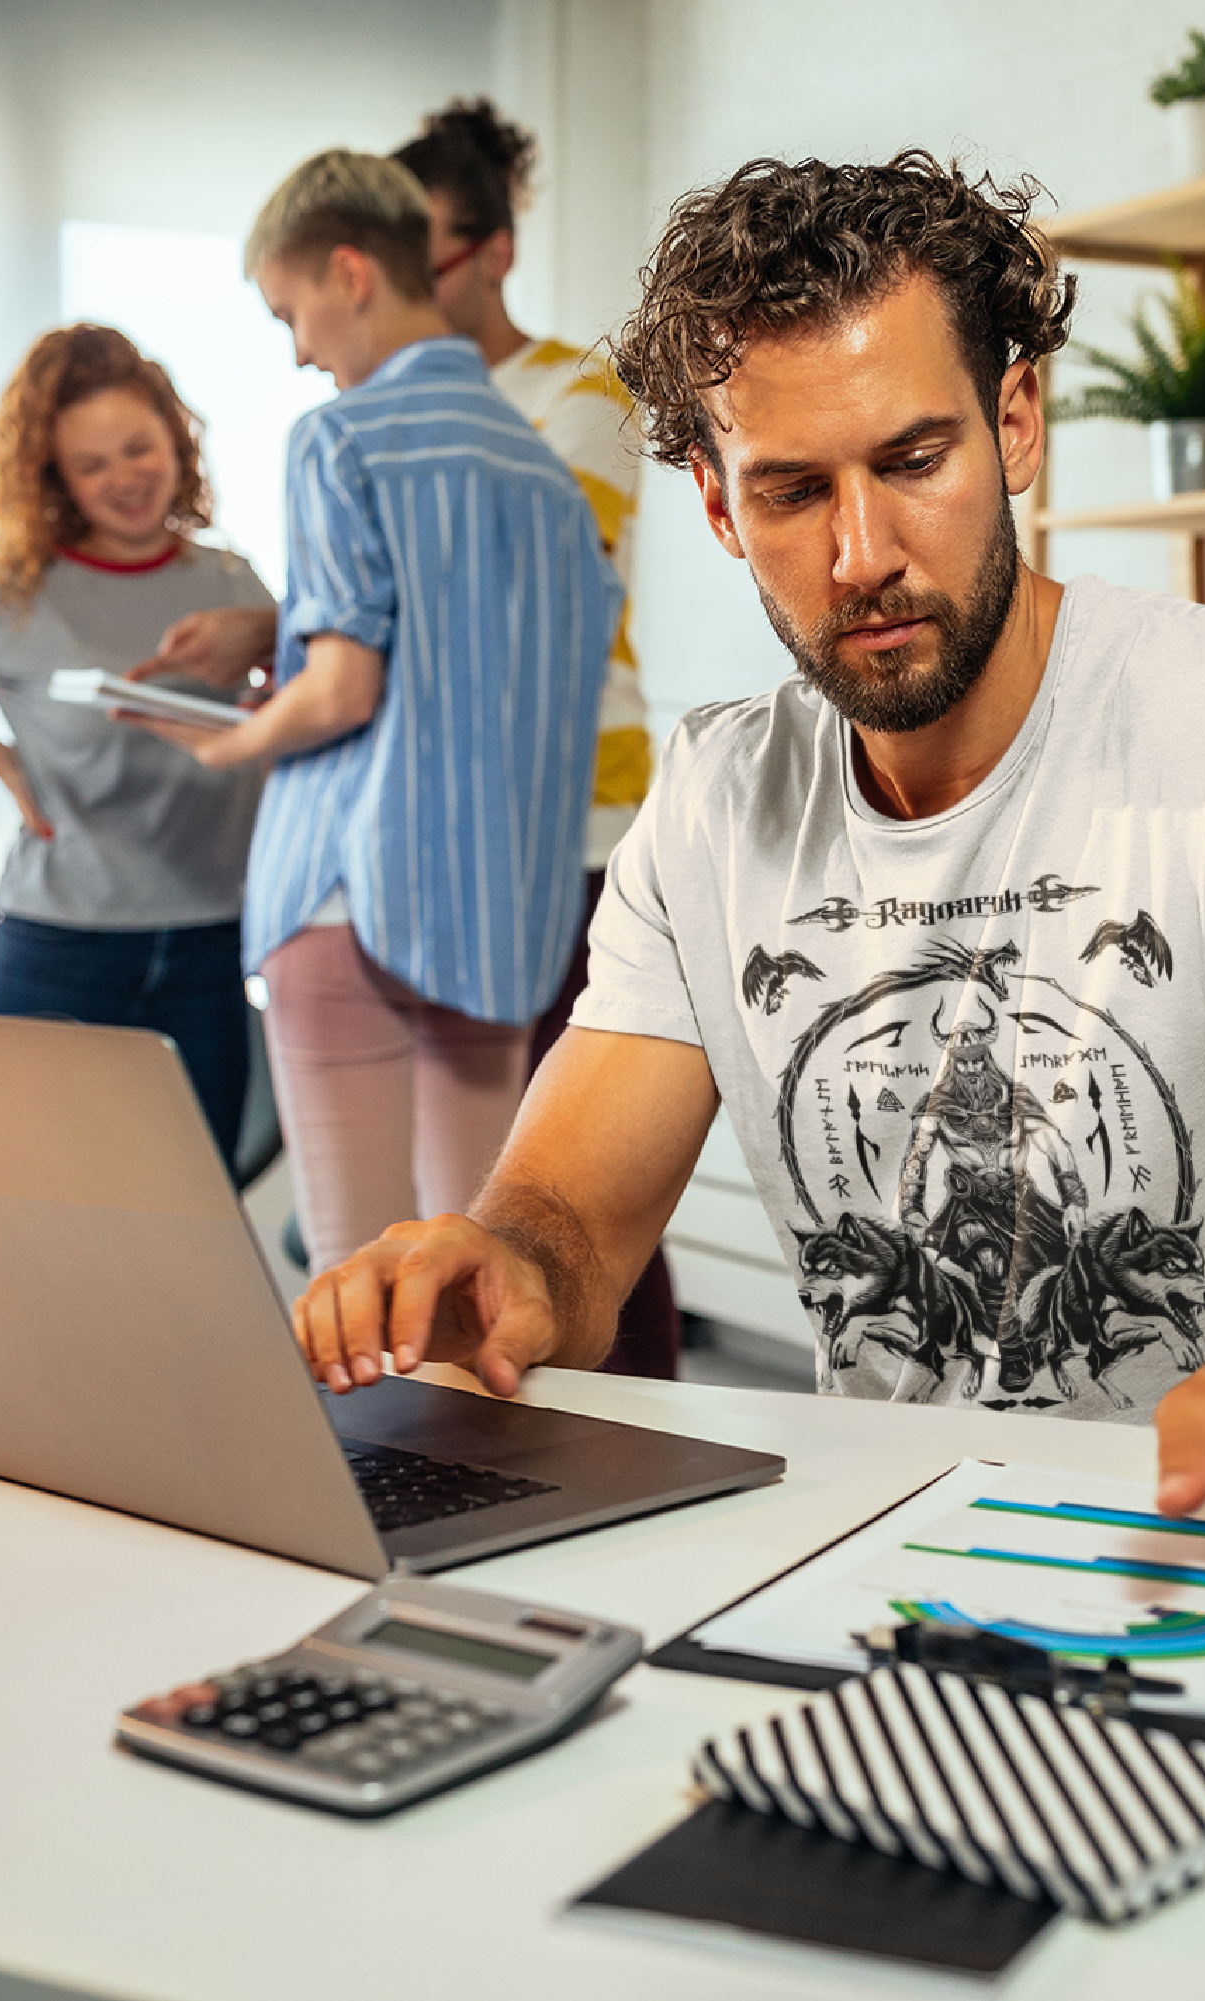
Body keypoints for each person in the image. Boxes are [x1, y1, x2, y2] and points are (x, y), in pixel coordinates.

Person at [295, 150, 1205, 1664]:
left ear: (1017, 425)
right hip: (886, 1565)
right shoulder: (709, 798)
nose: (862, 554)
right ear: (716, 504)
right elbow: (571, 1227)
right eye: (794, 490)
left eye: (914, 460)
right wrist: (502, 1264)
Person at [129, 150, 618, 1282]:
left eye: (290, 312)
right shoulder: (544, 479)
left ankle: (374, 1472)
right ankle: (487, 1465)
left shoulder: (337, 437)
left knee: (356, 1285)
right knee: (484, 1274)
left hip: (346, 894)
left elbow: (347, 687)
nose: (299, 348)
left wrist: (230, 741)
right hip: (500, 913)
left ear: (349, 273)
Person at [390, 96, 680, 1382]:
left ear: (493, 250)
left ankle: (643, 1414)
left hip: (580, 830)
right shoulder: (391, 413)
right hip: (450, 841)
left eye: (430, 255)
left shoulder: (574, 391)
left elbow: (521, 585)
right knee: (484, 1179)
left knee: (590, 1179)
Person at [0, 324, 274, 1166]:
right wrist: (3, 761)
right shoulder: (19, 592)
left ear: (177, 440)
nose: (125, 477)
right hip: (63, 936)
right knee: (21, 1188)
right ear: (56, 476)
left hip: (210, 935)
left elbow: (290, 709)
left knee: (197, 1202)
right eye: (93, 465)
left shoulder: (233, 583)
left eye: (139, 447)